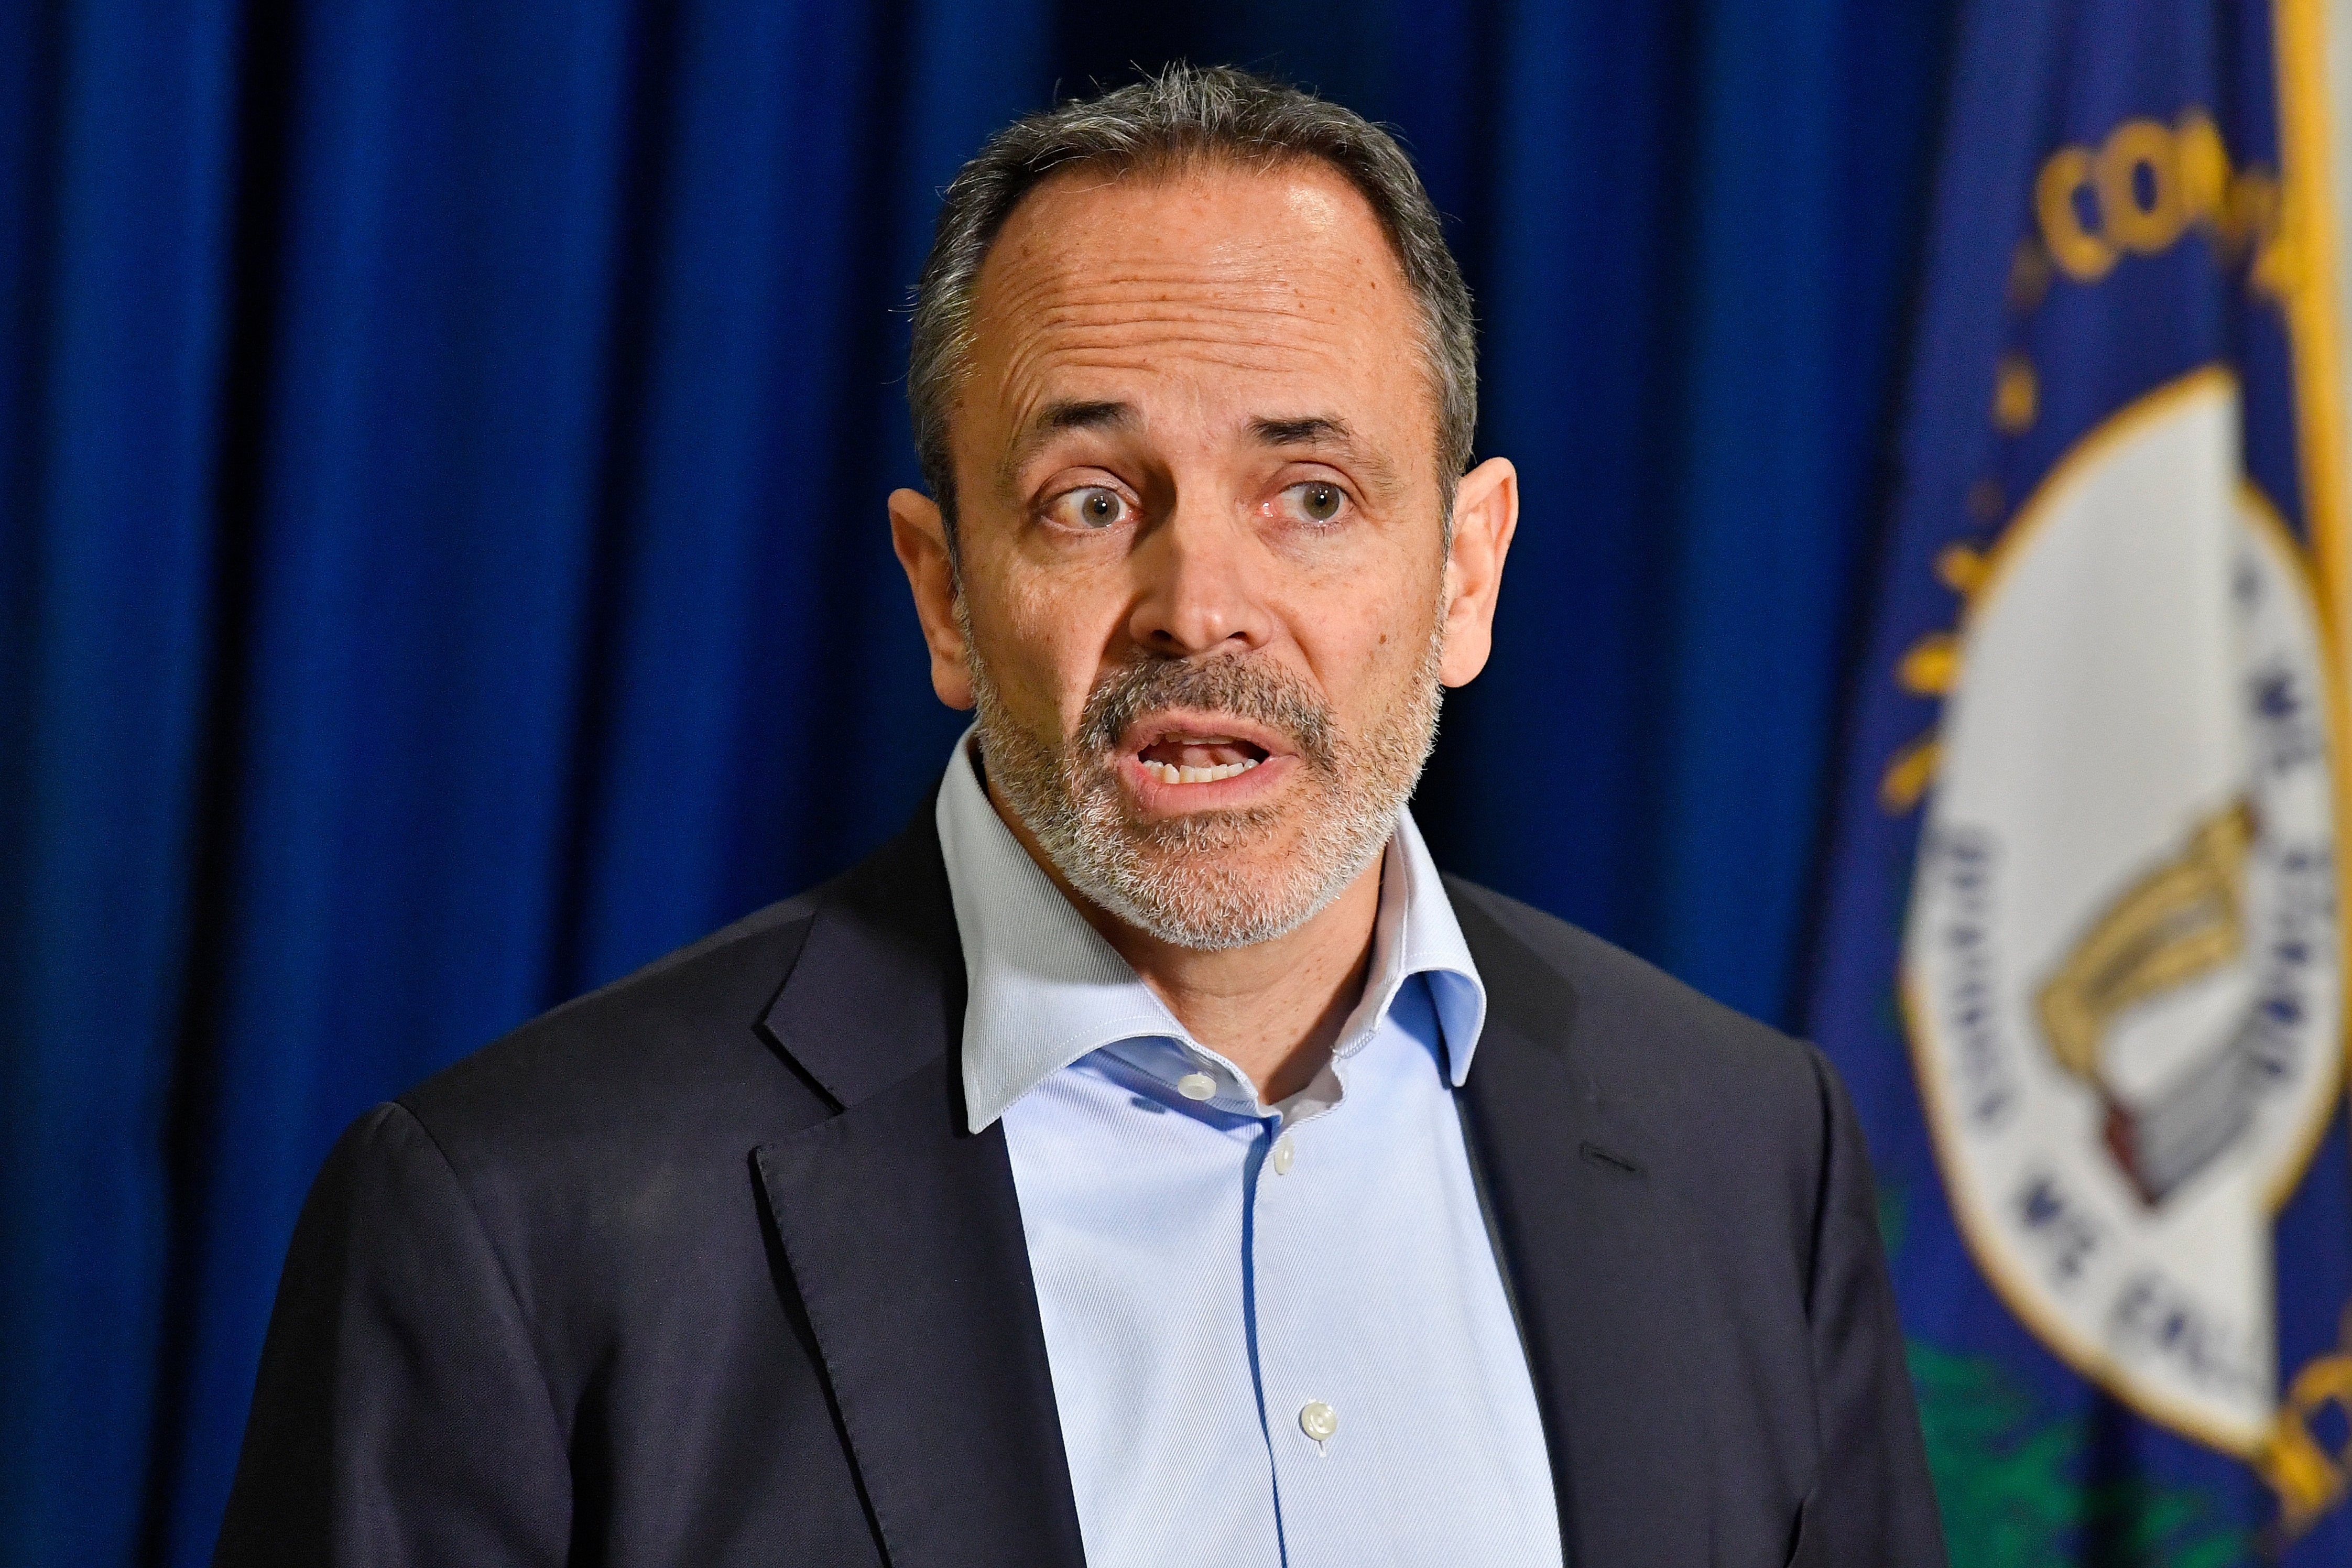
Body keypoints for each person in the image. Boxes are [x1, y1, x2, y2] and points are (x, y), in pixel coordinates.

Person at [217, 64, 1944, 1567]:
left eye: (1315, 494)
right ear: (946, 593)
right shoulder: (516, 1224)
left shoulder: (1748, 1158)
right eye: (1092, 499)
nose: (1203, 603)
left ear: (1467, 578)